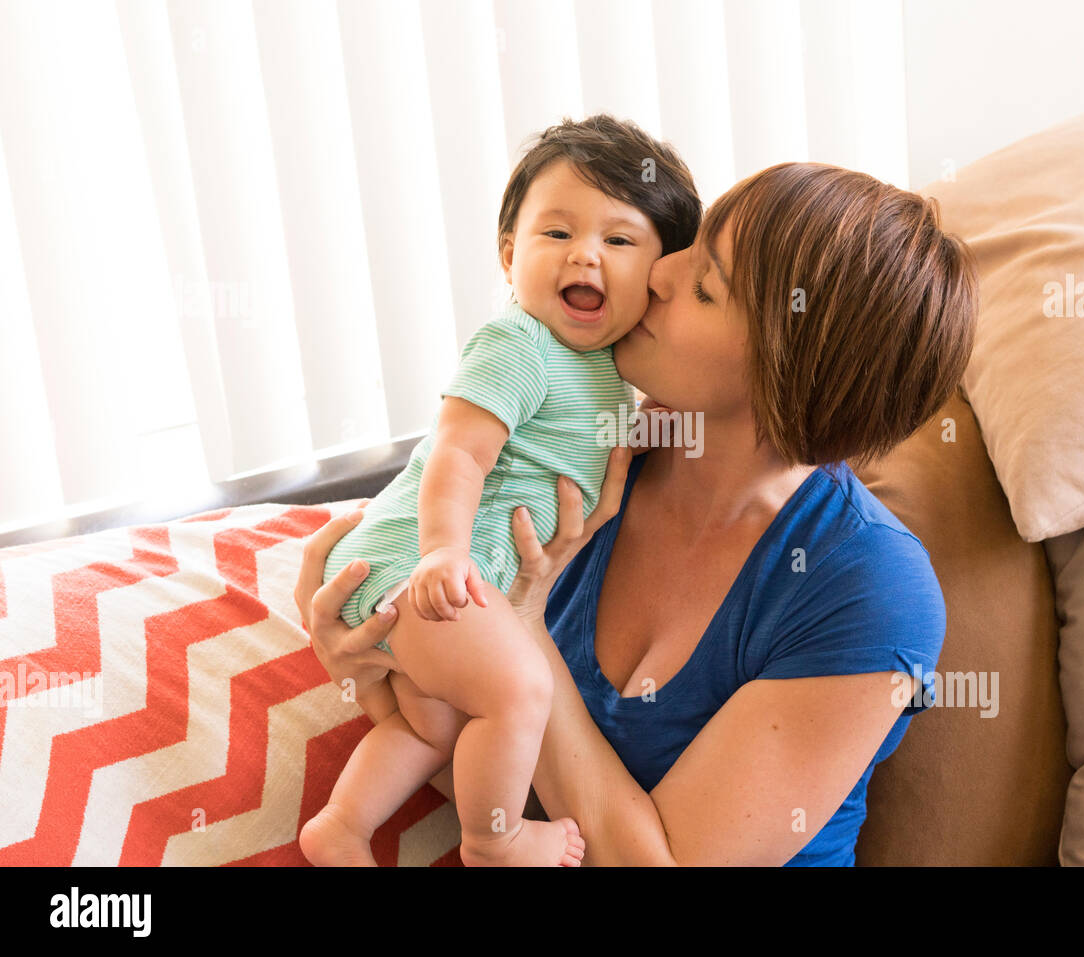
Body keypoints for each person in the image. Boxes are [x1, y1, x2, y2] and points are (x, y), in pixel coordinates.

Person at [296, 159, 979, 866]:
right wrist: (376, 659)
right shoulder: (584, 457)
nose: (656, 272)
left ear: (788, 371)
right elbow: (515, 789)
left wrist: (524, 626)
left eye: (706, 286)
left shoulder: (869, 589)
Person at [298, 114, 702, 867]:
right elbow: (456, 453)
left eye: (618, 240)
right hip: (421, 567)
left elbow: (605, 437)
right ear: (510, 255)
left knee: (435, 726)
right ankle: (495, 839)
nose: (585, 253)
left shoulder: (608, 374)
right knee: (519, 686)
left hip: (437, 580)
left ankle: (343, 827)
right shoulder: (522, 344)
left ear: (659, 277)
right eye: (556, 235)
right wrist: (443, 553)